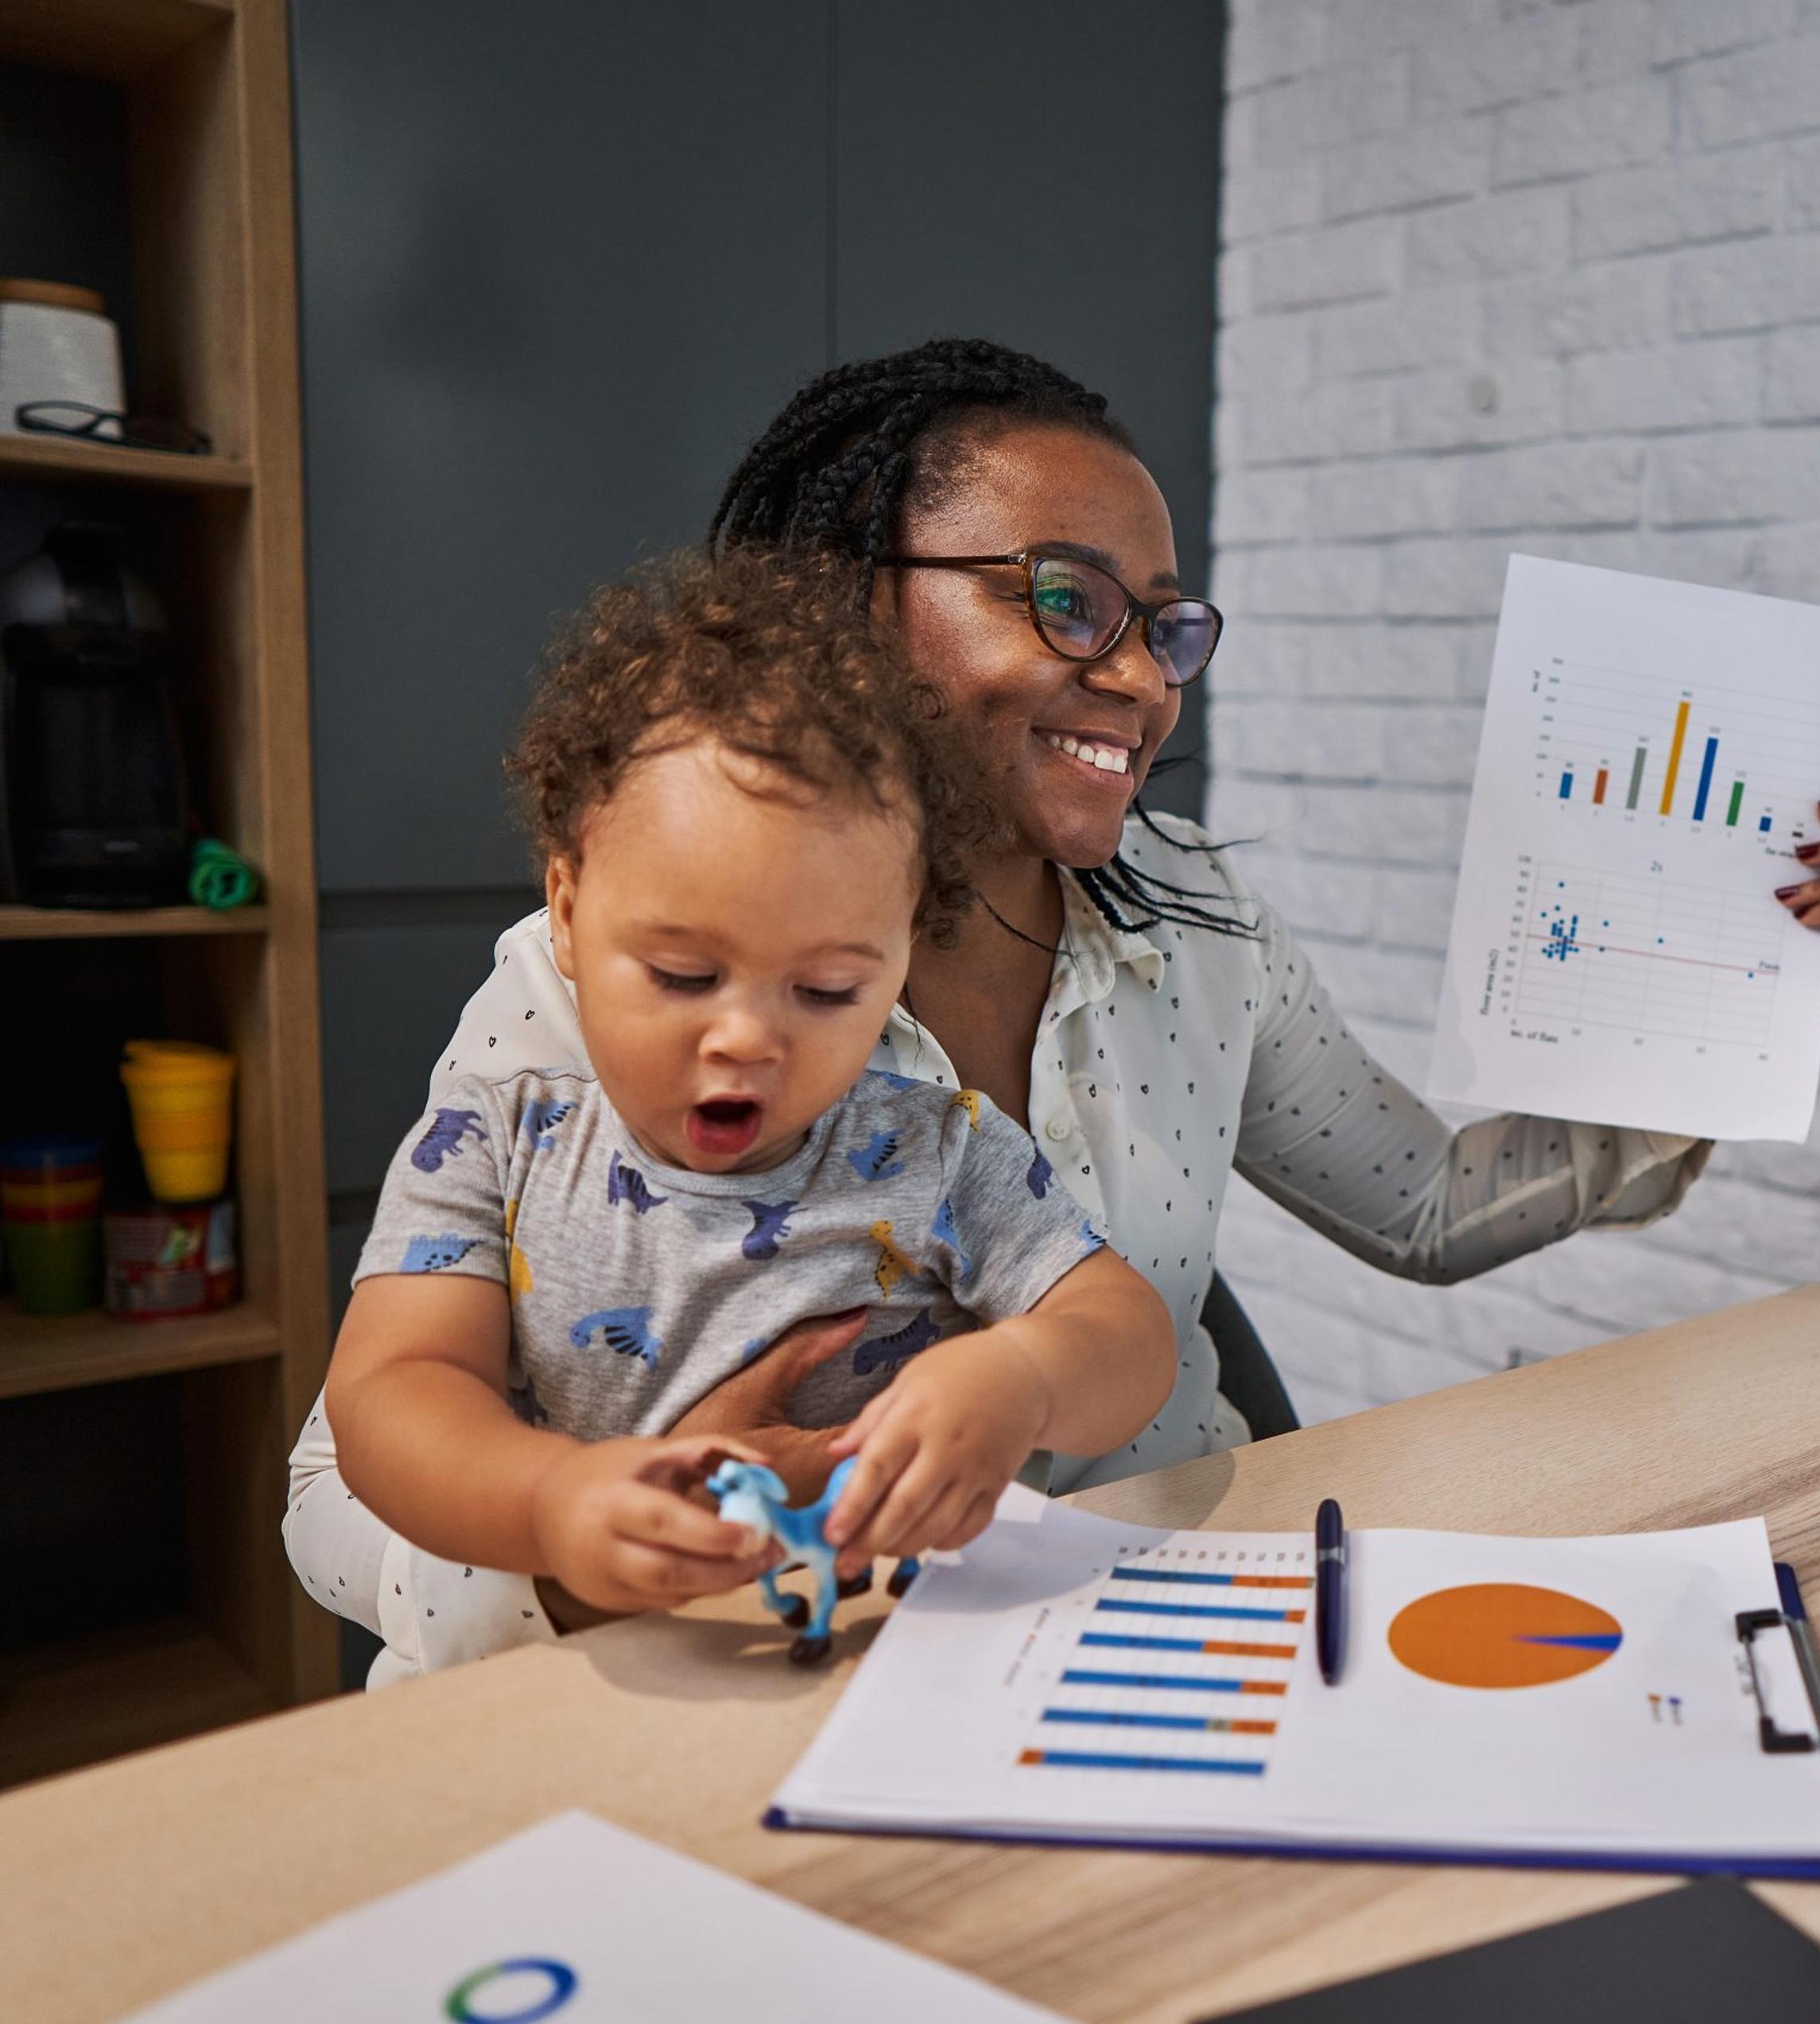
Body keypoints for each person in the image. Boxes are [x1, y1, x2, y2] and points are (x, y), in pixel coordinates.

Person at [286, 337, 1820, 1679]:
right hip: (733, 1684)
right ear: (853, 602)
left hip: (1133, 1644)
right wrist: (591, 1556)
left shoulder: (1193, 920)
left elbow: (1428, 1208)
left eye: (1164, 627)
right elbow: (332, 1499)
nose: (1142, 679)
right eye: (1065, 601)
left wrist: (1746, 1004)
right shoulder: (603, 986)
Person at [306, 547, 1171, 1666]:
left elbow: (1127, 1332)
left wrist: (1027, 1375)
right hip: (587, 1676)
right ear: (566, 913)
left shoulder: (936, 1148)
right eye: (681, 974)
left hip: (874, 1671)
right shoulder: (495, 1141)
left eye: (826, 990)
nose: (748, 1037)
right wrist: (550, 1502)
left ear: (904, 949)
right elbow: (392, 1392)